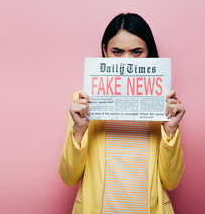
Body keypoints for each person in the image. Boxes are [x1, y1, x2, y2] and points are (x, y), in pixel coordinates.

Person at [58, 13, 185, 214]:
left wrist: (170, 131)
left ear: (148, 53)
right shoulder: (83, 103)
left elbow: (171, 182)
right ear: (105, 51)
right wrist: (79, 131)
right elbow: (69, 177)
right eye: (117, 51)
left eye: (136, 52)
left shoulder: (163, 104)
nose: (127, 62)